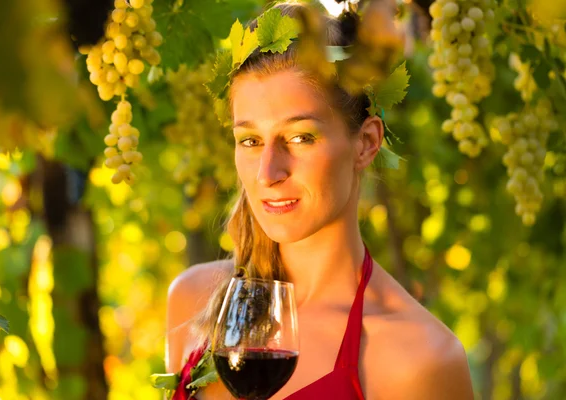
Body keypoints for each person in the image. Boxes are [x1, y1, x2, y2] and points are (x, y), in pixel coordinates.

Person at [166, 2, 474, 399]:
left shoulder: (420, 359)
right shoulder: (193, 301)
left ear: (365, 143)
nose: (267, 173)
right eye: (250, 140)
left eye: (300, 137)